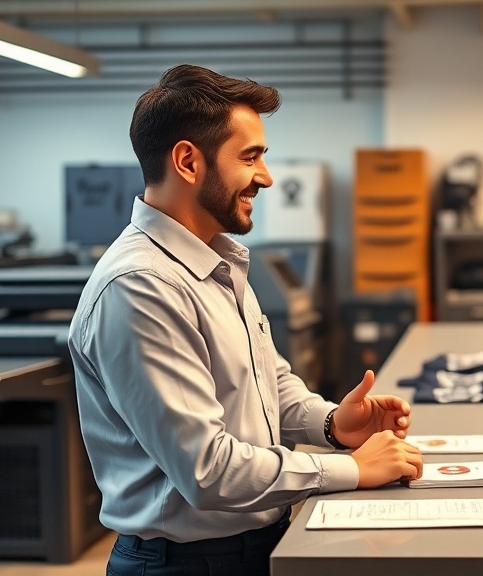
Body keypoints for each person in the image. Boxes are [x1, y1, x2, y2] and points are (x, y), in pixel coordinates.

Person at [67, 64, 423, 576]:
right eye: (250, 156)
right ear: (188, 161)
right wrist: (349, 469)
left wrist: (331, 424)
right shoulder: (141, 287)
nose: (266, 176)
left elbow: (266, 383)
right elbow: (206, 469)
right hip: (185, 564)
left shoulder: (216, 261)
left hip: (253, 545)